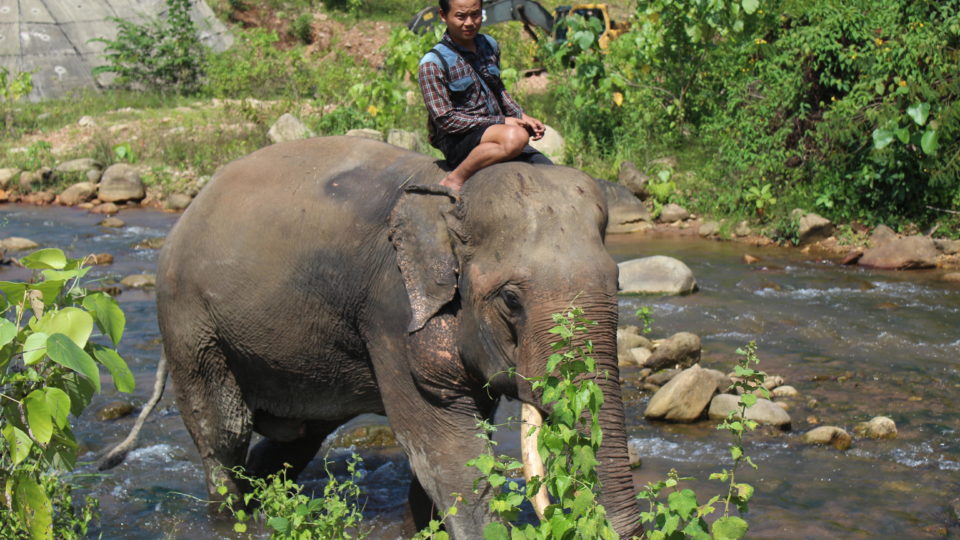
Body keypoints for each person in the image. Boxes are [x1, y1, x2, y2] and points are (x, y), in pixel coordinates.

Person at [418, 0, 552, 191]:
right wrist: (502, 122)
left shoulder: (488, 45)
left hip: (497, 132)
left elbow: (498, 90)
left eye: (476, 14)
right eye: (461, 16)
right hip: (460, 139)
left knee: (551, 174)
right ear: (443, 16)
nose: (470, 22)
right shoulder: (433, 64)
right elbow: (446, 120)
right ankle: (455, 179)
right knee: (516, 137)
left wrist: (521, 116)